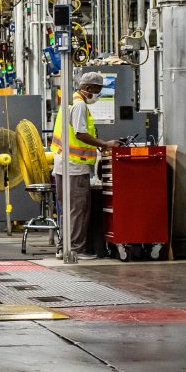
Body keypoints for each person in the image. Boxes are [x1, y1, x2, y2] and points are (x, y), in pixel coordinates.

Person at [51, 72, 120, 260]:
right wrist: (105, 144)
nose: (98, 95)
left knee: (68, 209)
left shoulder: (69, 102)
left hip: (62, 164)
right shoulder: (80, 105)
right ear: (87, 88)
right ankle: (76, 249)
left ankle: (63, 247)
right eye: (97, 91)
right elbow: (81, 133)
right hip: (74, 165)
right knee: (78, 209)